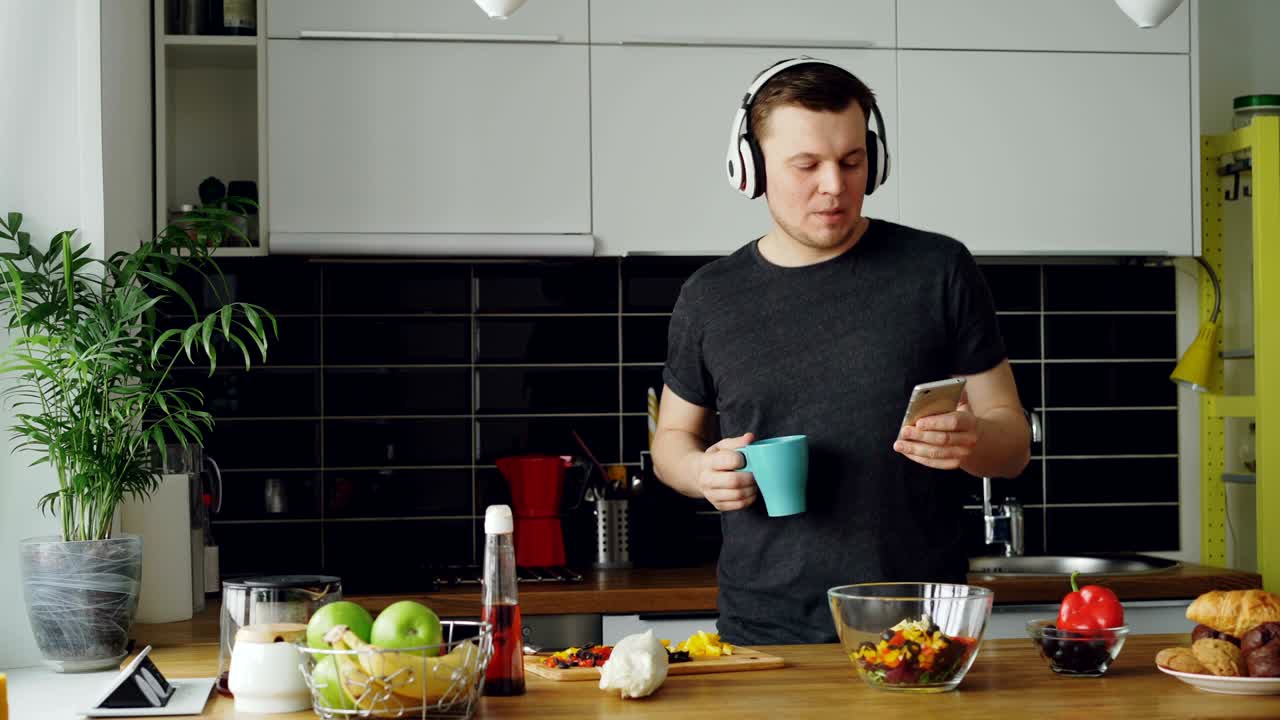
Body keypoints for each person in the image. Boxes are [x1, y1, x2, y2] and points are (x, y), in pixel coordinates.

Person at [651, 58, 1032, 645]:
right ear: (750, 167)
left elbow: (1011, 441)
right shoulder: (710, 296)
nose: (834, 185)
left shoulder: (938, 269)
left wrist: (973, 440)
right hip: (763, 633)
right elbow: (671, 440)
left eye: (852, 161)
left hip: (921, 628)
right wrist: (701, 472)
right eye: (806, 165)